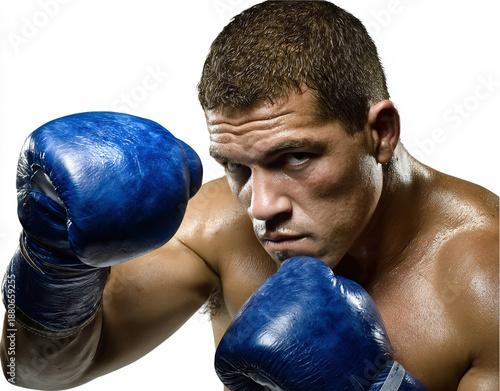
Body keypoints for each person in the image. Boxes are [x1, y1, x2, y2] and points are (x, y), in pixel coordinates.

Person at [1, 1, 498, 390]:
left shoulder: (485, 285)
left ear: (381, 133)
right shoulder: (218, 228)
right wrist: (57, 264)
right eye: (237, 167)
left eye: (295, 157)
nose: (261, 207)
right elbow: (36, 370)